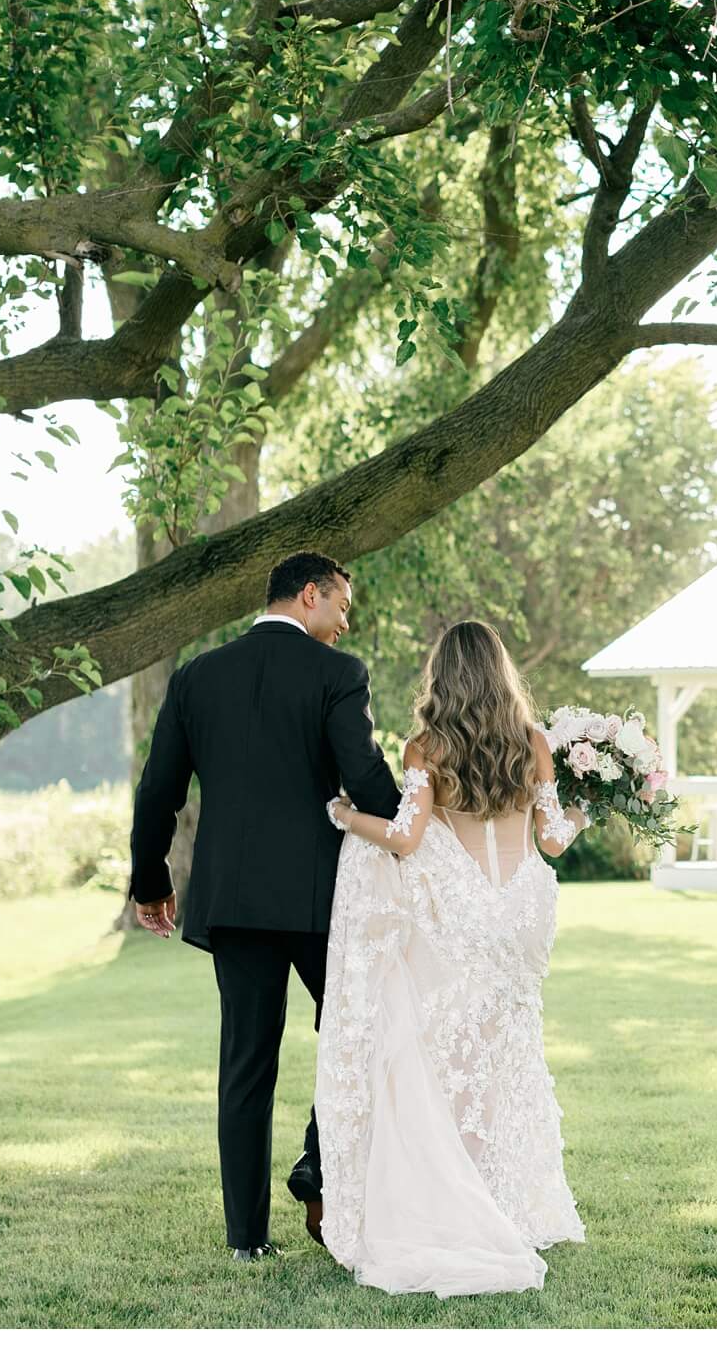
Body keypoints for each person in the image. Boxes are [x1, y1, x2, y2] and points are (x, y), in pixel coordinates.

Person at [128, 551, 401, 1262]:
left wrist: (150, 876)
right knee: (360, 1031)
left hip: (235, 901)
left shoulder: (197, 676)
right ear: (309, 595)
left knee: (246, 1063)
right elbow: (366, 775)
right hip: (319, 901)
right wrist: (416, 833)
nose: (345, 623)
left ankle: (248, 1239)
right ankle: (318, 1165)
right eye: (341, 606)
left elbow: (159, 789)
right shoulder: (338, 675)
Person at [316, 619, 589, 1296]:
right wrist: (590, 811)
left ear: (443, 675)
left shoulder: (427, 748)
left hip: (464, 911)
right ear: (501, 673)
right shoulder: (533, 744)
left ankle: (466, 1194)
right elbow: (554, 839)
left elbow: (407, 840)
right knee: (510, 1048)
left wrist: (346, 815)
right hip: (523, 910)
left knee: (452, 1058)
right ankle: (514, 1202)